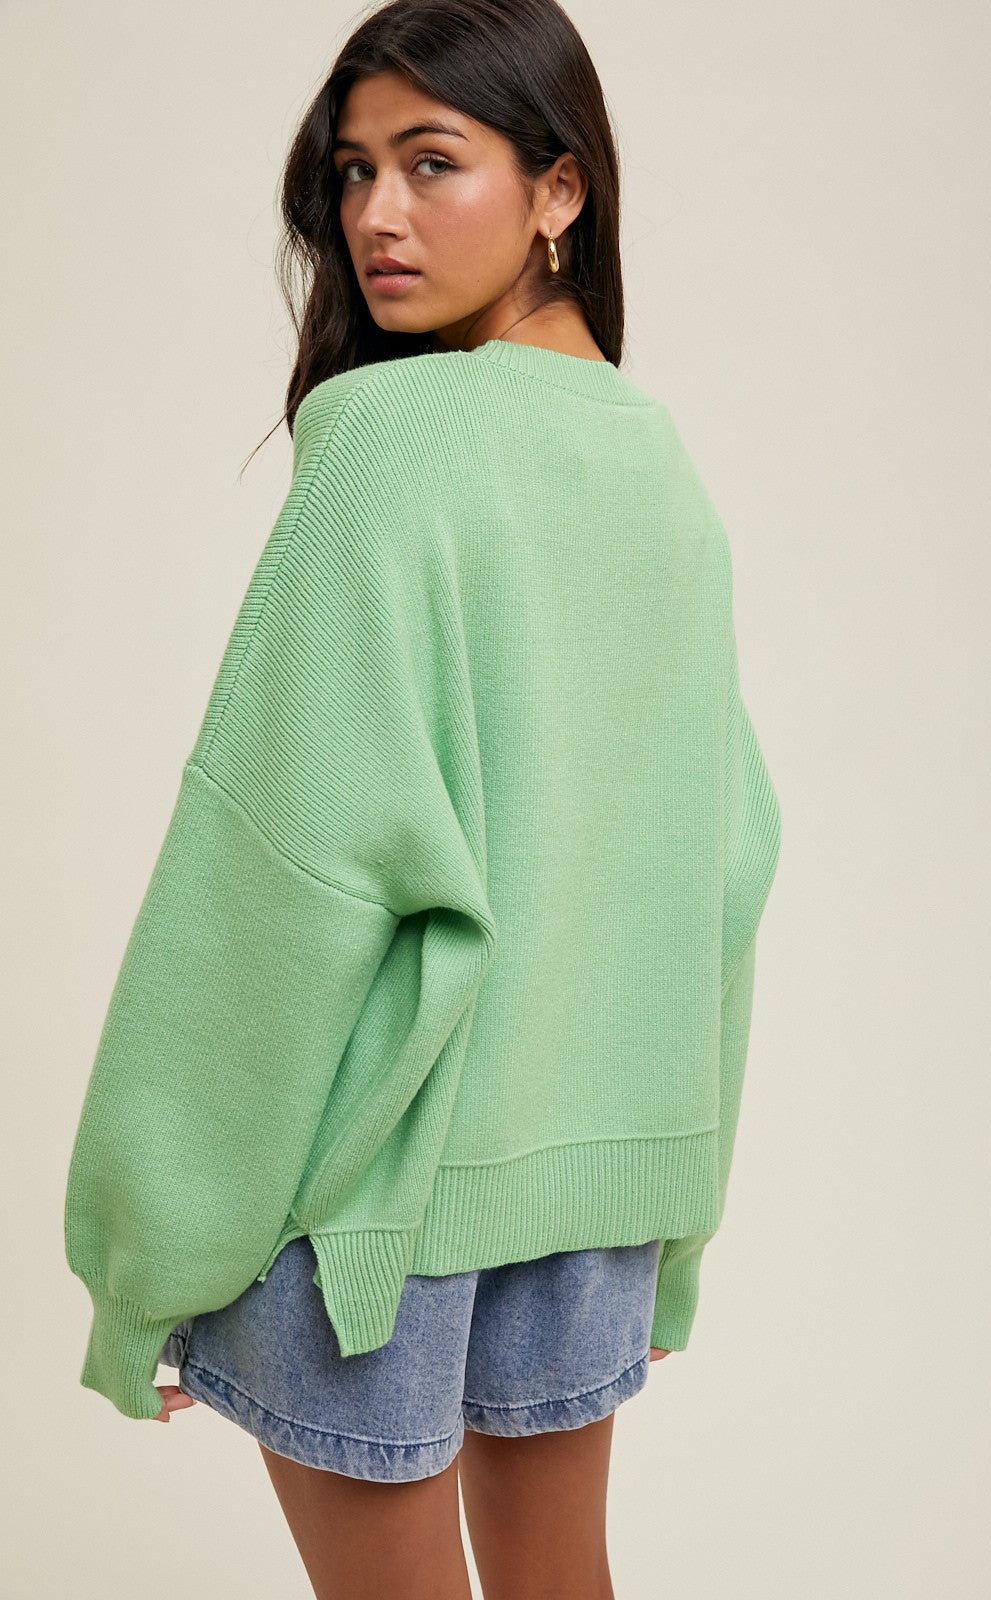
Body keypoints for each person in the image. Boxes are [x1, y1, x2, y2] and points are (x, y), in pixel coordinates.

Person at [63, 0, 782, 1595]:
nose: (375, 215)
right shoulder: (657, 464)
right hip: (592, 1187)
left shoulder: (388, 443)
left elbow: (273, 877)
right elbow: (725, 869)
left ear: (559, 189)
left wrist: (147, 1247)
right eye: (353, 171)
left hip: (370, 1215)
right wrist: (674, 1220)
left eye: (431, 162)